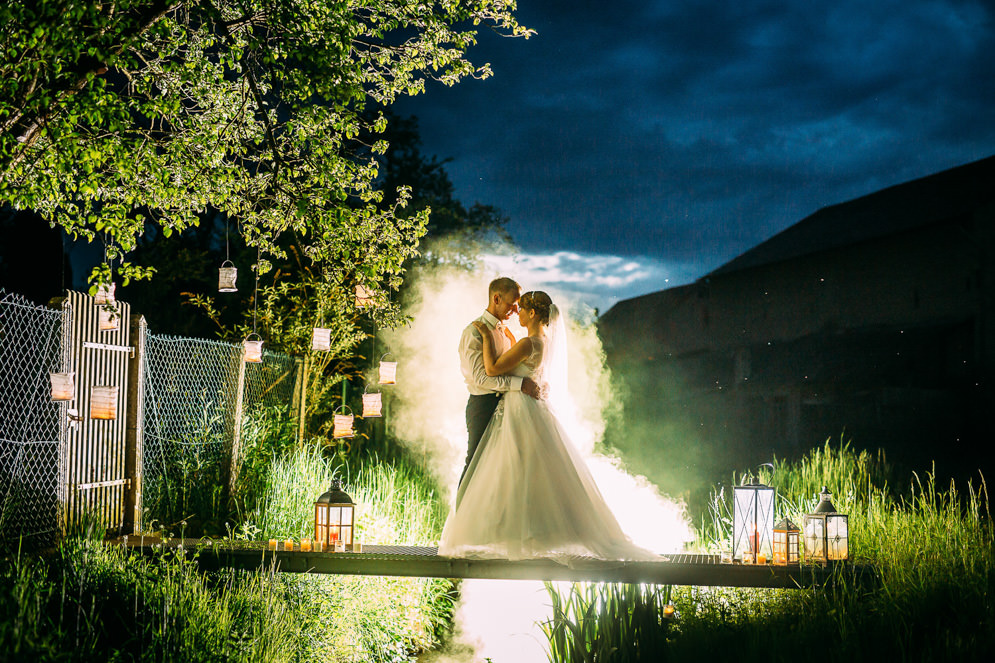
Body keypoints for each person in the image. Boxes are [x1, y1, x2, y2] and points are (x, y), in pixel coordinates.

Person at [440, 290, 661, 562]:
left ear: (532, 313)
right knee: (529, 470)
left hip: (520, 409)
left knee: (515, 469)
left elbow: (494, 369)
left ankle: (507, 532)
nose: (517, 313)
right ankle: (529, 531)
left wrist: (487, 336)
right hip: (530, 408)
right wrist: (508, 340)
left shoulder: (528, 342)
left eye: (521, 309)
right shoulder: (541, 341)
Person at [457, 277, 541, 490]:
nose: (515, 309)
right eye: (512, 304)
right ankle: (461, 518)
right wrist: (520, 385)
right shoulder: (474, 332)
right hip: (483, 406)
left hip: (506, 408)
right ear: (496, 298)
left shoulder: (505, 332)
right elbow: (482, 379)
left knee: (498, 468)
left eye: (518, 305)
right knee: (474, 464)